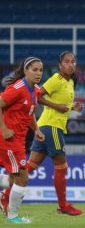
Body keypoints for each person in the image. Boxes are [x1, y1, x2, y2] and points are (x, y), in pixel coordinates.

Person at [26, 51, 84, 216]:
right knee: (62, 167)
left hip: (45, 126)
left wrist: (73, 107)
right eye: (66, 61)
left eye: (73, 61)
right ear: (60, 65)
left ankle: (6, 195)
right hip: (52, 127)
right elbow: (36, 96)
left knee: (30, 166)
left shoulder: (70, 82)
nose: (70, 64)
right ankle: (63, 205)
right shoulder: (56, 80)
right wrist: (56, 106)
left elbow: (62, 104)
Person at [0, 57, 44, 224]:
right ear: (25, 71)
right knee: (22, 177)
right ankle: (12, 216)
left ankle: (4, 198)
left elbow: (30, 111)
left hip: (19, 139)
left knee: (13, 177)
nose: (38, 73)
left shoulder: (36, 90)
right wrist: (4, 129)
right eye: (34, 69)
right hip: (9, 139)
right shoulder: (17, 88)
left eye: (40, 70)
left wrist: (37, 129)